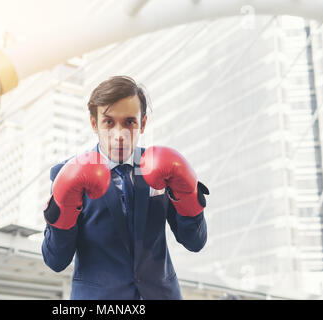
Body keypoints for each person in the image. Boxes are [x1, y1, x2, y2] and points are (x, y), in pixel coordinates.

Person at [41, 75, 209, 300]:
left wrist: (188, 196)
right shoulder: (66, 172)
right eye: (109, 122)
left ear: (143, 123)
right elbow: (55, 260)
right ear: (94, 123)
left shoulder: (164, 166)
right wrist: (63, 215)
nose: (119, 134)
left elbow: (195, 242)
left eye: (129, 121)